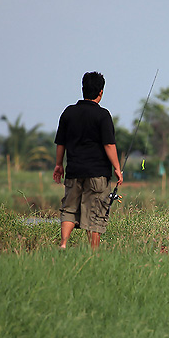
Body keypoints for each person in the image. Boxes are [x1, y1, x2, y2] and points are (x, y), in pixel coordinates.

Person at [53, 71, 123, 250]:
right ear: (101, 92)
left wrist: (59, 164)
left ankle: (63, 244)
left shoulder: (69, 112)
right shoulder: (103, 115)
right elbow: (109, 144)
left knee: (69, 209)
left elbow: (61, 142)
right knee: (95, 214)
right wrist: (117, 167)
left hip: (74, 171)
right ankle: (94, 254)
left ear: (83, 89)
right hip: (97, 174)